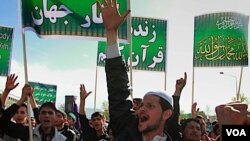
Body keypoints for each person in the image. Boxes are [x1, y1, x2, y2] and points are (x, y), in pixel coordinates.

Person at [97, 0, 183, 140]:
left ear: (166, 114)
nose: (142, 109)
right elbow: (118, 88)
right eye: (142, 105)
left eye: (150, 106)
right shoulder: (127, 128)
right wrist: (111, 32)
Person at [0, 84, 66, 141]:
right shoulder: (29, 133)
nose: (46, 115)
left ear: (55, 117)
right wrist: (22, 99)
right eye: (43, 112)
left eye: (50, 113)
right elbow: (2, 122)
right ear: (39, 116)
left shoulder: (63, 139)